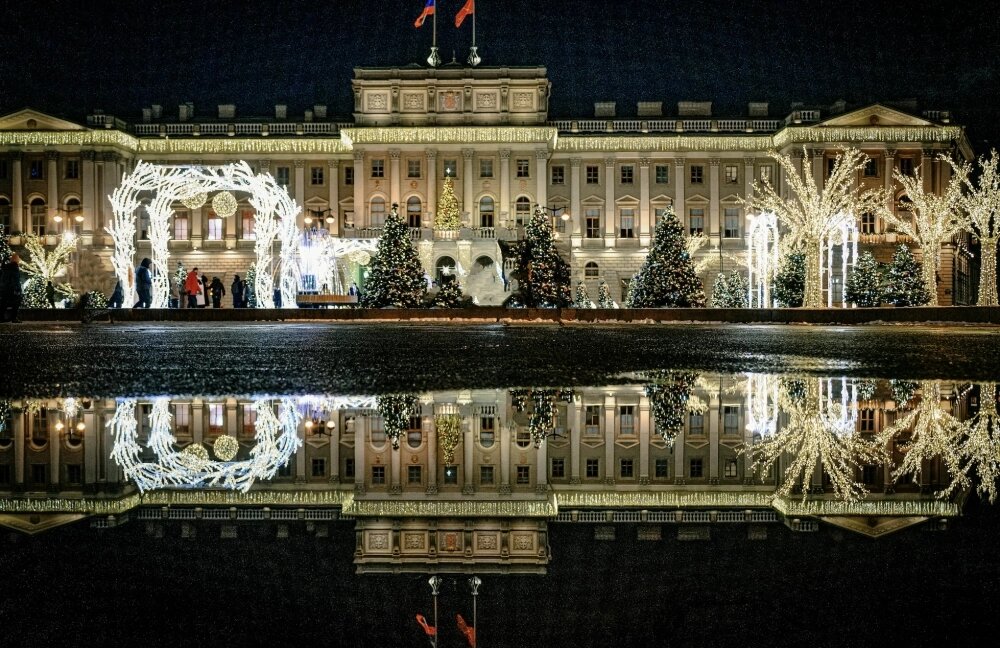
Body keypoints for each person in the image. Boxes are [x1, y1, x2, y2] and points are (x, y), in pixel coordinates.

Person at [0, 252, 24, 323]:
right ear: (16, 260)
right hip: (12, 289)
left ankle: (1, 318)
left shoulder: (5, 268)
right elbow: (15, 279)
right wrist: (17, 289)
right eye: (18, 259)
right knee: (16, 303)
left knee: (3, 303)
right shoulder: (14, 268)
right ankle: (14, 318)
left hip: (4, 288)